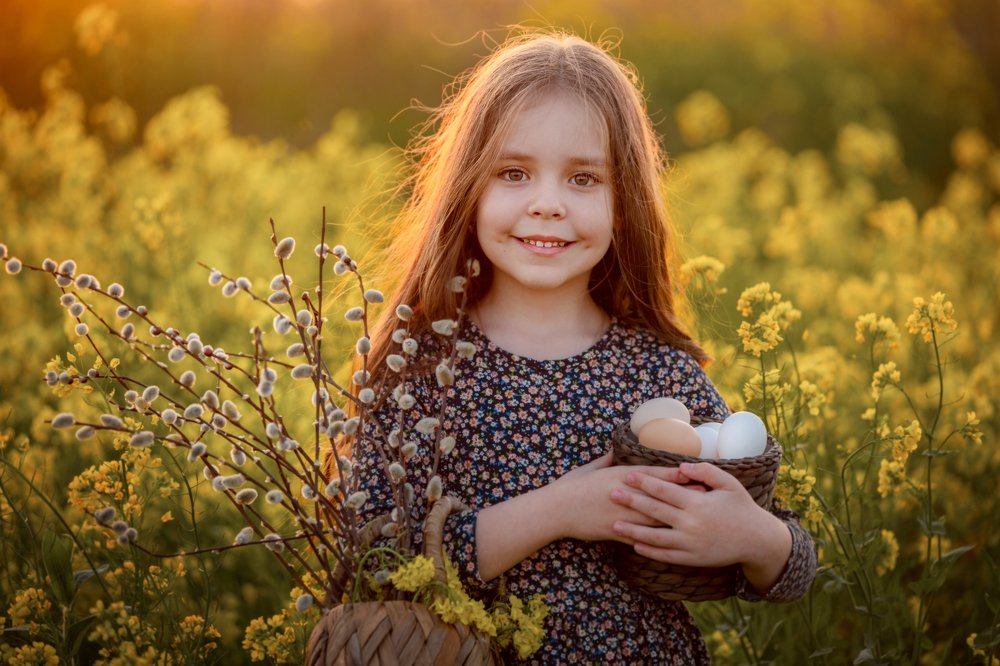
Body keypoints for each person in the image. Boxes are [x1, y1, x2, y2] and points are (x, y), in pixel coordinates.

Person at [345, 30, 817, 664]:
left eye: (583, 178)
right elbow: (374, 557)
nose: (547, 205)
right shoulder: (423, 367)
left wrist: (758, 540)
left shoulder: (657, 372)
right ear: (469, 190)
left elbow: (793, 564)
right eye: (514, 173)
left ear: (624, 203)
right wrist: (562, 508)